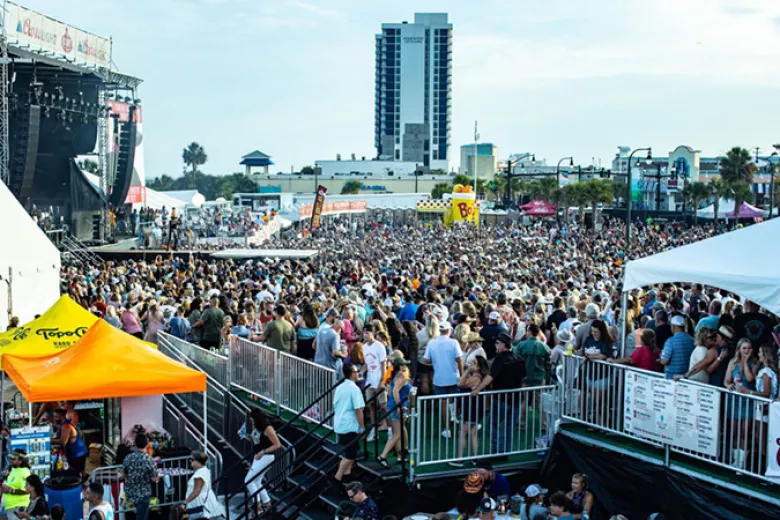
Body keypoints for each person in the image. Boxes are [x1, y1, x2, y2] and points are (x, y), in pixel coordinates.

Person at [472, 332, 525, 457]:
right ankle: (505, 451)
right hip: (516, 398)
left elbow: (491, 376)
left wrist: (478, 389)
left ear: (504, 345)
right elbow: (523, 377)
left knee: (493, 424)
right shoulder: (519, 358)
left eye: (497, 343)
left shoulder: (500, 359)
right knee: (509, 426)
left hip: (502, 398)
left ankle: (497, 451)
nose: (495, 345)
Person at [421, 319, 464, 439]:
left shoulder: (432, 343)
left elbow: (425, 360)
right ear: (449, 330)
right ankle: (459, 425)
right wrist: (461, 376)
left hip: (439, 378)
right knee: (457, 401)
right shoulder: (454, 342)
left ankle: (447, 428)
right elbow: (459, 360)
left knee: (444, 404)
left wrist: (436, 361)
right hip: (453, 377)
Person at [451, 355, 490, 466]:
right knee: (473, 433)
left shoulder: (476, 377)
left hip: (470, 407)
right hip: (475, 407)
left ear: (478, 366)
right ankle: (475, 458)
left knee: (462, 432)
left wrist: (467, 370)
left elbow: (460, 383)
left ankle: (459, 459)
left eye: (474, 363)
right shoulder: (480, 376)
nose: (471, 364)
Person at [332, 364, 365, 491]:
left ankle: (347, 476)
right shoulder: (354, 389)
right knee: (351, 454)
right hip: (349, 425)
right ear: (352, 374)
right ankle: (337, 478)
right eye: (356, 371)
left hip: (340, 423)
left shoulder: (340, 387)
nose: (358, 374)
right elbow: (358, 410)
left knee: (352, 451)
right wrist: (362, 428)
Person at [244, 409, 282, 514]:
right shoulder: (257, 427)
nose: (251, 422)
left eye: (253, 420)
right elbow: (258, 441)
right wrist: (246, 437)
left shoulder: (268, 428)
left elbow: (277, 444)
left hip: (266, 457)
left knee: (248, 481)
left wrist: (263, 452)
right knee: (256, 481)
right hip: (257, 457)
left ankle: (258, 507)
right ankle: (267, 502)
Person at [377, 357, 412, 467]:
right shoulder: (401, 376)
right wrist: (400, 406)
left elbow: (390, 389)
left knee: (399, 430)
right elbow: (395, 391)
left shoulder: (394, 375)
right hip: (396, 407)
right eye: (405, 364)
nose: (406, 366)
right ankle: (382, 455)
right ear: (401, 366)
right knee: (397, 434)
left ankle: (402, 453)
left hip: (392, 406)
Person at [122, 433, 158, 520]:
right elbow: (154, 479)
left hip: (129, 495)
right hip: (143, 495)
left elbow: (123, 474)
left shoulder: (128, 458)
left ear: (135, 443)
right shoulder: (149, 460)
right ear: (147, 444)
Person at [363, 327, 388, 443]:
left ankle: (390, 428)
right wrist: (360, 373)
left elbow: (384, 363)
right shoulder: (364, 347)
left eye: (367, 332)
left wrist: (382, 380)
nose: (365, 335)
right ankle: (374, 430)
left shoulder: (379, 346)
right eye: (364, 333)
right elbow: (366, 364)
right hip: (369, 381)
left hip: (379, 380)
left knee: (384, 406)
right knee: (371, 405)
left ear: (372, 333)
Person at [182, 452, 219, 519]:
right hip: (202, 504)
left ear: (198, 461)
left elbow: (197, 491)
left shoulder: (199, 475)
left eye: (192, 459)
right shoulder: (204, 470)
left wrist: (185, 502)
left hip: (198, 504)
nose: (190, 460)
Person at [51, 408, 88, 475]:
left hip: (78, 454)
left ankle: (84, 483)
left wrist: (50, 440)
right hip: (78, 452)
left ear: (61, 416)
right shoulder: (64, 424)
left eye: (56, 417)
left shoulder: (66, 426)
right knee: (80, 472)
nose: (54, 419)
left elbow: (63, 441)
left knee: (76, 473)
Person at [659, 315, 695, 380]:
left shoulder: (670, 341)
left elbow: (664, 361)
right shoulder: (692, 340)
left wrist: (661, 357)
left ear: (673, 326)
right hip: (686, 377)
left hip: (672, 378)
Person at [2, 450, 31, 520]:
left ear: (20, 461)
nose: (10, 460)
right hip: (9, 507)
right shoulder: (13, 468)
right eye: (10, 457)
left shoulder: (24, 472)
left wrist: (10, 491)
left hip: (18, 508)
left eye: (13, 458)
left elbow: (26, 491)